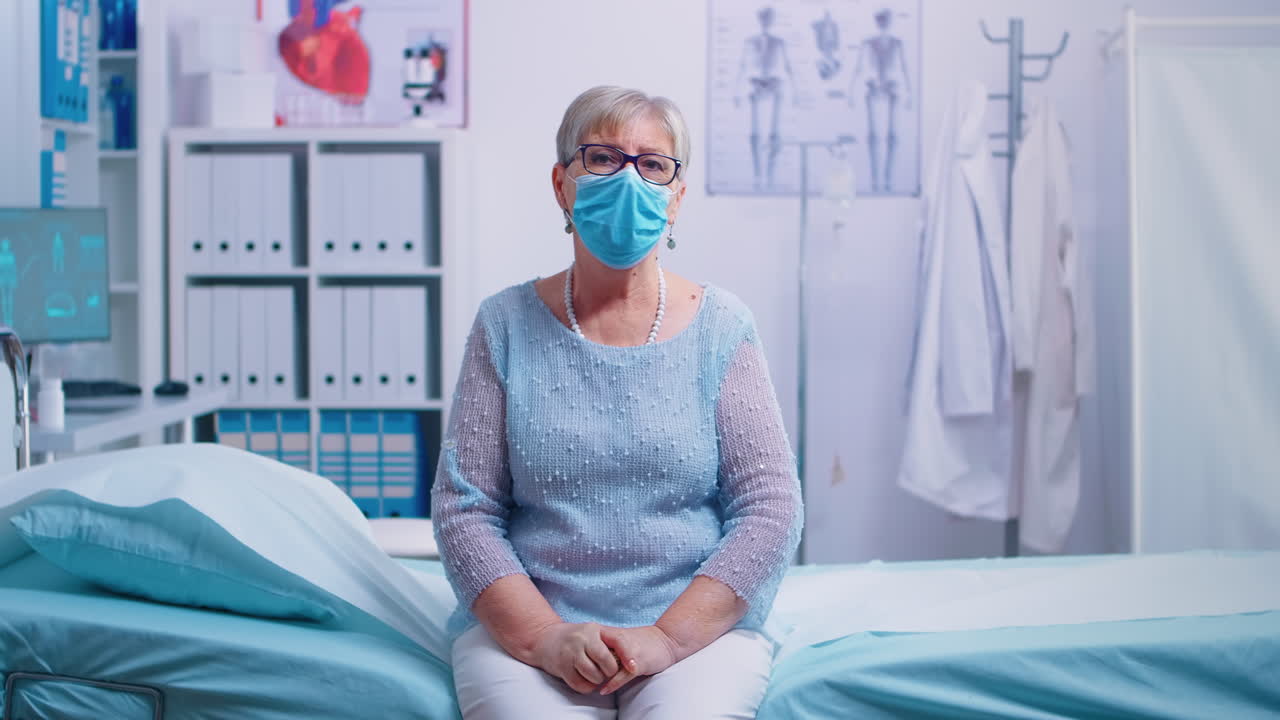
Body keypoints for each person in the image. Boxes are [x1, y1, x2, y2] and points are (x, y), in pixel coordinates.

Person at [432, 85, 803, 719]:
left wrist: (666, 637)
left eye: (653, 165)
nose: (629, 178)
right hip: (533, 630)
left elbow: (770, 508)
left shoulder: (723, 327)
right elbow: (465, 509)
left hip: (694, 634)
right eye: (603, 157)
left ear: (676, 197)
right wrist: (545, 636)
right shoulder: (504, 325)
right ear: (562, 185)